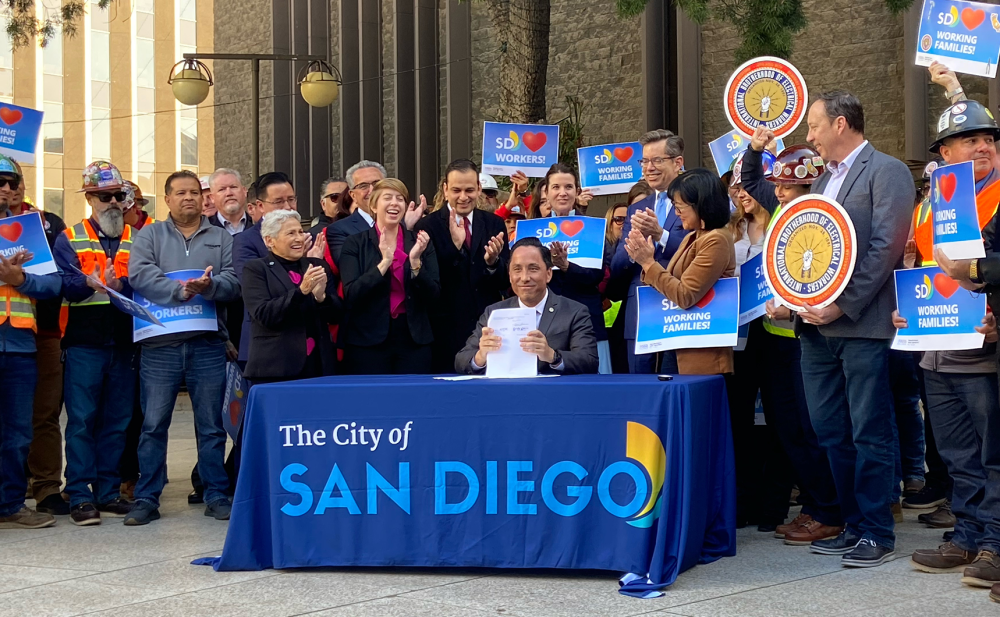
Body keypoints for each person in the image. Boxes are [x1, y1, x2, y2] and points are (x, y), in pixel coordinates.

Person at [794, 91, 914, 567]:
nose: (810, 137)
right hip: (814, 331)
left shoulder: (887, 172)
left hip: (861, 325)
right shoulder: (823, 180)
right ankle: (851, 523)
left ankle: (876, 531)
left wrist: (841, 306)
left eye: (814, 126)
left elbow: (886, 247)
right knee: (830, 431)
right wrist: (795, 296)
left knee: (870, 431)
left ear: (840, 124)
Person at [903, 97, 1000, 588]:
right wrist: (909, 309)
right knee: (957, 453)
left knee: (992, 453)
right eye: (971, 140)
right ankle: (967, 533)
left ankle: (995, 544)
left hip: (985, 351)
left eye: (989, 139)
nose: (983, 146)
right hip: (936, 346)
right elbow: (924, 268)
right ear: (944, 152)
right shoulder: (930, 204)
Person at [740, 136, 845, 546]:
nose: (776, 191)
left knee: (813, 428)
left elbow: (826, 273)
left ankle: (831, 510)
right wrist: (754, 147)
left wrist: (795, 310)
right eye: (777, 184)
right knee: (790, 431)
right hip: (775, 342)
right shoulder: (785, 208)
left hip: (808, 338)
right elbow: (750, 180)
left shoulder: (820, 215)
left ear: (808, 185)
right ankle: (817, 506)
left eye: (785, 185)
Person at [125, 170, 241, 526]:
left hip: (207, 344)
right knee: (154, 423)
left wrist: (209, 287)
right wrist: (181, 291)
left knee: (210, 425)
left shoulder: (221, 237)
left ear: (203, 199)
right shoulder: (149, 235)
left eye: (194, 192)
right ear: (168, 199)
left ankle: (215, 493)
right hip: (160, 345)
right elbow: (139, 274)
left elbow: (234, 280)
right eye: (180, 193)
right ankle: (147, 497)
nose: (188, 198)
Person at [52, 161, 137, 525]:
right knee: (82, 421)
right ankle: (80, 493)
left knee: (117, 420)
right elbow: (59, 285)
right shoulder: (69, 237)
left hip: (125, 341)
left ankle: (107, 491)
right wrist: (89, 284)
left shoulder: (138, 237)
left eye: (119, 195)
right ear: (89, 198)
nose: (114, 202)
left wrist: (124, 287)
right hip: (84, 341)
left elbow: (147, 284)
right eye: (105, 196)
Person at [0, 153, 62, 529]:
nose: (5, 189)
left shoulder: (30, 230)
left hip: (21, 346)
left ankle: (10, 504)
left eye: (11, 182)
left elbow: (53, 285)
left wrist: (21, 280)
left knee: (18, 432)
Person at [623, 167, 734, 374]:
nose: (676, 213)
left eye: (680, 207)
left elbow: (685, 295)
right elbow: (668, 281)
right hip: (676, 341)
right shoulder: (693, 236)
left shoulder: (716, 239)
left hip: (701, 351)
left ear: (700, 206)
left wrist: (648, 263)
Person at [414, 159, 509, 373]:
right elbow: (429, 283)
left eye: (469, 190)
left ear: (479, 189)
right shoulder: (427, 226)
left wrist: (493, 263)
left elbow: (505, 280)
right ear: (445, 189)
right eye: (456, 190)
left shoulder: (493, 223)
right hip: (445, 329)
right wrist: (455, 248)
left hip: (486, 327)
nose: (463, 197)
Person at [456, 237, 598, 375]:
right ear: (510, 275)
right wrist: (480, 356)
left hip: (553, 394)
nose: (524, 278)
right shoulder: (494, 312)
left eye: (533, 269)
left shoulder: (575, 311)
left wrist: (552, 356)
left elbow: (589, 360)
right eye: (517, 269)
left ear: (548, 274)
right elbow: (461, 360)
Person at [340, 179, 440, 374]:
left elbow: (434, 294)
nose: (395, 203)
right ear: (374, 206)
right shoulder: (355, 243)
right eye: (388, 198)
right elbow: (351, 294)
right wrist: (384, 263)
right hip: (368, 339)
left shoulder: (420, 241)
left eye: (400, 199)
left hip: (413, 338)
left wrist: (415, 264)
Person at [612, 129, 690, 374]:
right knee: (640, 388)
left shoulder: (693, 200)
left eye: (657, 160)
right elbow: (617, 266)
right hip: (641, 309)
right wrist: (632, 246)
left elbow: (699, 249)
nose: (649, 167)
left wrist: (661, 235)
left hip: (680, 308)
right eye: (644, 161)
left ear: (678, 163)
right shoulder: (638, 208)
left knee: (674, 384)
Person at [243, 210, 342, 382]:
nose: (299, 238)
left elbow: (337, 315)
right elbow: (264, 314)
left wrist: (321, 298)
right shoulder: (256, 269)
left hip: (318, 364)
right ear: (269, 240)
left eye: (300, 232)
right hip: (276, 367)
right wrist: (301, 291)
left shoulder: (317, 265)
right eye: (291, 233)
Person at [540, 163, 610, 373]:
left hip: (588, 320)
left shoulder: (593, 228)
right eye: (556, 187)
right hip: (546, 323)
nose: (562, 193)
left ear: (577, 191)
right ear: (547, 191)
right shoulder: (533, 230)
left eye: (568, 187)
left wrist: (567, 266)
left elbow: (597, 275)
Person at [327, 161, 386, 265]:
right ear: (353, 195)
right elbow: (349, 267)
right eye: (363, 186)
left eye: (377, 184)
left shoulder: (403, 223)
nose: (372, 190)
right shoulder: (339, 230)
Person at [603, 201, 629, 374]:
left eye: (628, 220)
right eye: (618, 219)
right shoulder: (603, 249)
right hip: (607, 318)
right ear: (609, 223)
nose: (624, 224)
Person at [207, 168, 251, 235]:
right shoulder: (204, 229)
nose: (229, 193)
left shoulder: (260, 225)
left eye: (233, 187)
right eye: (222, 189)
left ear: (244, 191)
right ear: (212, 198)